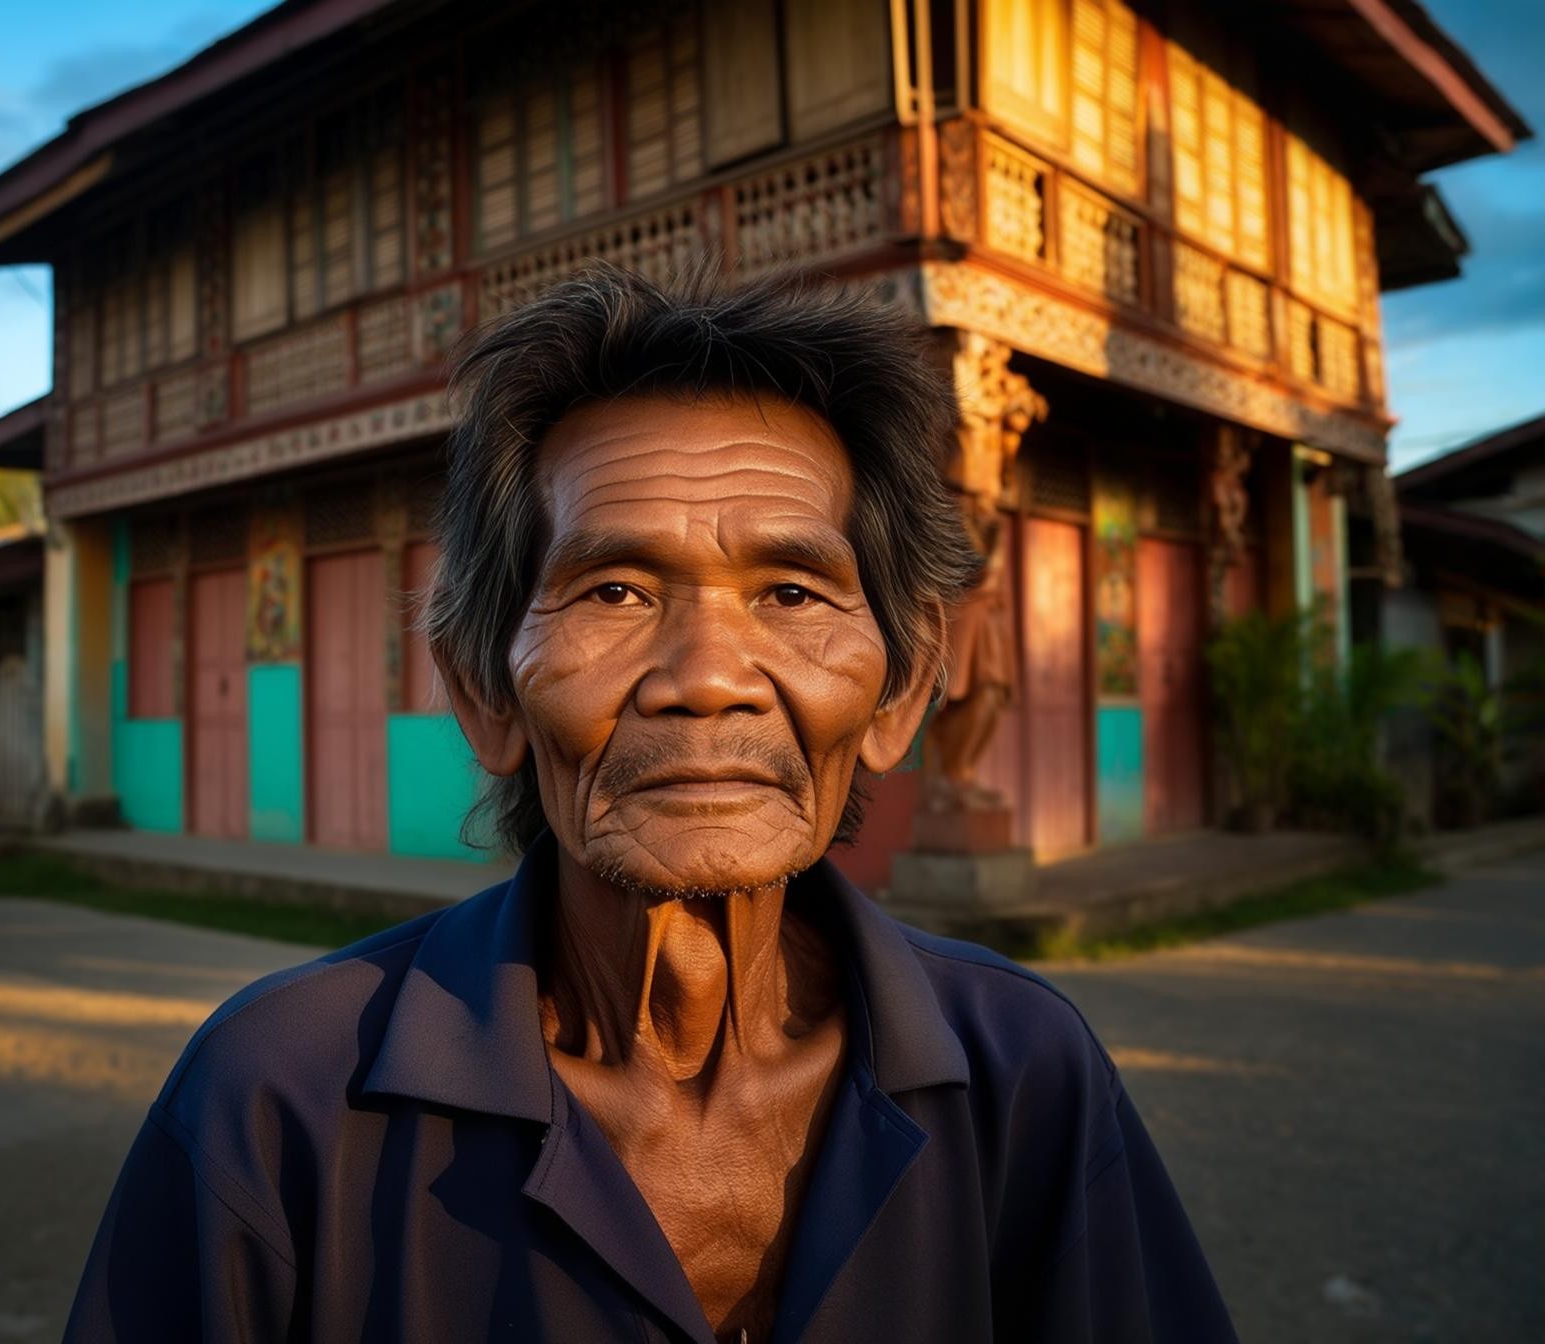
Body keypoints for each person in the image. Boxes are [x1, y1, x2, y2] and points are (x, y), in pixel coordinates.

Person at [62, 264, 1238, 1343]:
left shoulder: (1022, 1073)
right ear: (484, 691)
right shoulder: (279, 1097)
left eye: (790, 589)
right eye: (613, 589)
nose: (707, 677)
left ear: (902, 690)